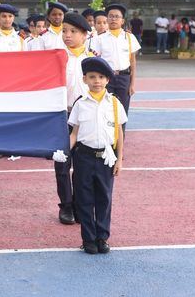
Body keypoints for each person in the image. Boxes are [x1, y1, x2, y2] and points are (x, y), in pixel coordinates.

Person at [69, 57, 126, 254]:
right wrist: (64, 152)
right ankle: (88, 239)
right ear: (84, 79)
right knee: (84, 199)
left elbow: (119, 133)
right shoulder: (80, 104)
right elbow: (75, 133)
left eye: (101, 77)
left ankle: (102, 237)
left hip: (106, 158)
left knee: (104, 198)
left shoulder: (115, 103)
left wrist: (120, 159)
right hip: (83, 156)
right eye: (92, 77)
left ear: (108, 80)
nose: (97, 81)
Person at [55, 12, 93, 225]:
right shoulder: (57, 57)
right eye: (64, 31)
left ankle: (80, 204)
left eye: (73, 32)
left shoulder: (92, 59)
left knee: (83, 165)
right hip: (62, 116)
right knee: (62, 164)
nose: (67, 35)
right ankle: (66, 206)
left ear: (85, 35)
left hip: (85, 117)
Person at [90, 3, 140, 117]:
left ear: (122, 21)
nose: (113, 19)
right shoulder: (99, 39)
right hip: (107, 78)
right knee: (106, 109)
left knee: (122, 111)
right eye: (111, 16)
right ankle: (108, 135)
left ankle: (120, 134)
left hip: (124, 78)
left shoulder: (129, 37)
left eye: (117, 16)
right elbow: (96, 61)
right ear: (107, 19)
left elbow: (133, 62)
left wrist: (132, 84)